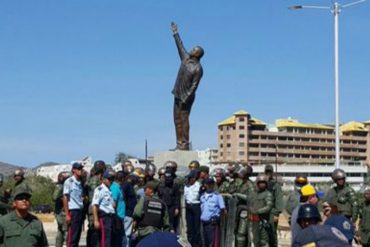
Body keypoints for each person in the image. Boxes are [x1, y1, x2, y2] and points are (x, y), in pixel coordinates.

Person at [170, 21, 204, 150]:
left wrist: (186, 97)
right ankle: (178, 143)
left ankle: (185, 144)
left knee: (184, 119)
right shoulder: (185, 59)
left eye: (194, 49)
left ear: (198, 54)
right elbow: (180, 46)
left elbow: (195, 86)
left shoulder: (198, 68)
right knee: (176, 120)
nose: (192, 49)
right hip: (178, 94)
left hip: (187, 97)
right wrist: (175, 33)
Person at [63, 162, 85, 247]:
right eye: (79, 169)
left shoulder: (80, 182)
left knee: (77, 236)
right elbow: (65, 197)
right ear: (74, 170)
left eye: (81, 169)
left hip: (80, 210)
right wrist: (67, 214)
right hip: (73, 210)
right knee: (72, 236)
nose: (80, 170)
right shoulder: (69, 181)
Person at [92, 170, 116, 247]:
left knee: (109, 240)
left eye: (112, 179)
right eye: (109, 179)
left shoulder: (109, 190)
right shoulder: (100, 189)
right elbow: (95, 205)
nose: (111, 181)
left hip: (110, 218)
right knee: (104, 240)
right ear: (104, 179)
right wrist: (96, 220)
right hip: (104, 217)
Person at [248, 174, 273, 247]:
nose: (262, 184)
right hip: (254, 221)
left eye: (264, 183)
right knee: (255, 241)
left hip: (264, 221)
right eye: (260, 182)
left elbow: (268, 206)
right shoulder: (254, 194)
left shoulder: (268, 194)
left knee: (264, 242)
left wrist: (257, 211)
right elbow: (248, 200)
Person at [200, 178, 226, 247]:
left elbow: (222, 209)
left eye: (211, 184)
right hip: (203, 223)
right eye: (207, 184)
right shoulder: (202, 196)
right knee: (205, 242)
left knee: (213, 244)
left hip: (212, 223)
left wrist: (221, 220)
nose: (209, 186)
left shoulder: (217, 196)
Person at [86, 160, 106, 247]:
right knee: (93, 230)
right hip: (94, 207)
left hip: (97, 207)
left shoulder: (97, 179)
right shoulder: (94, 179)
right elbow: (95, 194)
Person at [234, 165, 255, 247]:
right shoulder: (241, 183)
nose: (240, 174)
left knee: (241, 234)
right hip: (239, 210)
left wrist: (238, 195)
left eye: (242, 172)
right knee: (237, 233)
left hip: (246, 211)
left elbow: (251, 198)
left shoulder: (250, 185)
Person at [264, 164, 283, 247]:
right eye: (266, 172)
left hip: (272, 213)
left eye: (269, 172)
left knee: (272, 234)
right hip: (262, 213)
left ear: (272, 173)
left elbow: (279, 201)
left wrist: (276, 213)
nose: (268, 173)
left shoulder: (276, 185)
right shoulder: (261, 184)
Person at [184, 170, 201, 247]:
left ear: (194, 178)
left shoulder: (199, 186)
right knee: (190, 228)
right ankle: (190, 244)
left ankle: (197, 245)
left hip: (196, 207)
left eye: (191, 178)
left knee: (196, 228)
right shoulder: (186, 186)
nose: (189, 179)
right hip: (188, 207)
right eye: (189, 178)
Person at [53, 171, 71, 247]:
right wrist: (64, 200)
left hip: (60, 212)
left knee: (60, 232)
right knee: (66, 232)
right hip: (61, 213)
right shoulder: (60, 186)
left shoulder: (62, 186)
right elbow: (54, 197)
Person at [110, 171, 126, 247]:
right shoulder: (115, 187)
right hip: (117, 218)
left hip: (120, 218)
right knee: (118, 241)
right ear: (122, 179)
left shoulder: (118, 187)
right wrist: (116, 220)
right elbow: (113, 204)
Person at [121, 173, 137, 247]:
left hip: (129, 213)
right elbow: (123, 196)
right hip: (127, 213)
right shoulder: (127, 185)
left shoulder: (129, 186)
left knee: (128, 234)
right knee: (126, 234)